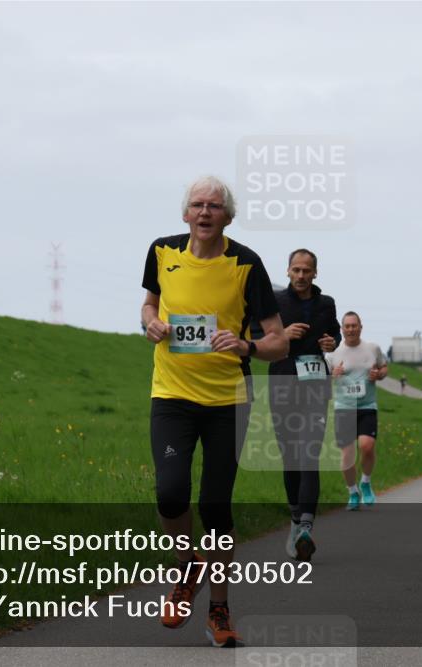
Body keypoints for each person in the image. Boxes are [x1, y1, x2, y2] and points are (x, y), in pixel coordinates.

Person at [141, 175, 288, 648]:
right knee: (170, 492)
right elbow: (149, 304)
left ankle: (219, 608)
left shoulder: (247, 264)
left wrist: (246, 343)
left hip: (228, 398)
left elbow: (278, 340)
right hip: (172, 395)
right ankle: (187, 567)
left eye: (215, 206)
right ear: (185, 214)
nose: (205, 212)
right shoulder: (162, 252)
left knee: (215, 506)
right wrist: (151, 324)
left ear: (228, 215)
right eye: (197, 205)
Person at [269, 249, 340, 563]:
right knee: (290, 456)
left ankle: (307, 527)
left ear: (315, 273)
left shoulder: (327, 304)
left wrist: (331, 344)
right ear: (287, 271)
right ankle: (296, 521)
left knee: (309, 452)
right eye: (295, 270)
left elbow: (334, 334)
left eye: (306, 270)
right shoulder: (275, 303)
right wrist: (282, 335)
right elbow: (257, 336)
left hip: (314, 385)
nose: (300, 275)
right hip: (282, 382)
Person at [326, 311, 388, 510]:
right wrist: (332, 374)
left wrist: (378, 374)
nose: (351, 329)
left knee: (367, 446)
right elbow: (324, 379)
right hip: (344, 408)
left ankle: (366, 483)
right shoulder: (333, 354)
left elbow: (384, 368)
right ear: (342, 329)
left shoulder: (372, 348)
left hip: (367, 406)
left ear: (361, 327)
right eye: (347, 326)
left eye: (354, 325)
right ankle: (352, 492)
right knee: (347, 455)